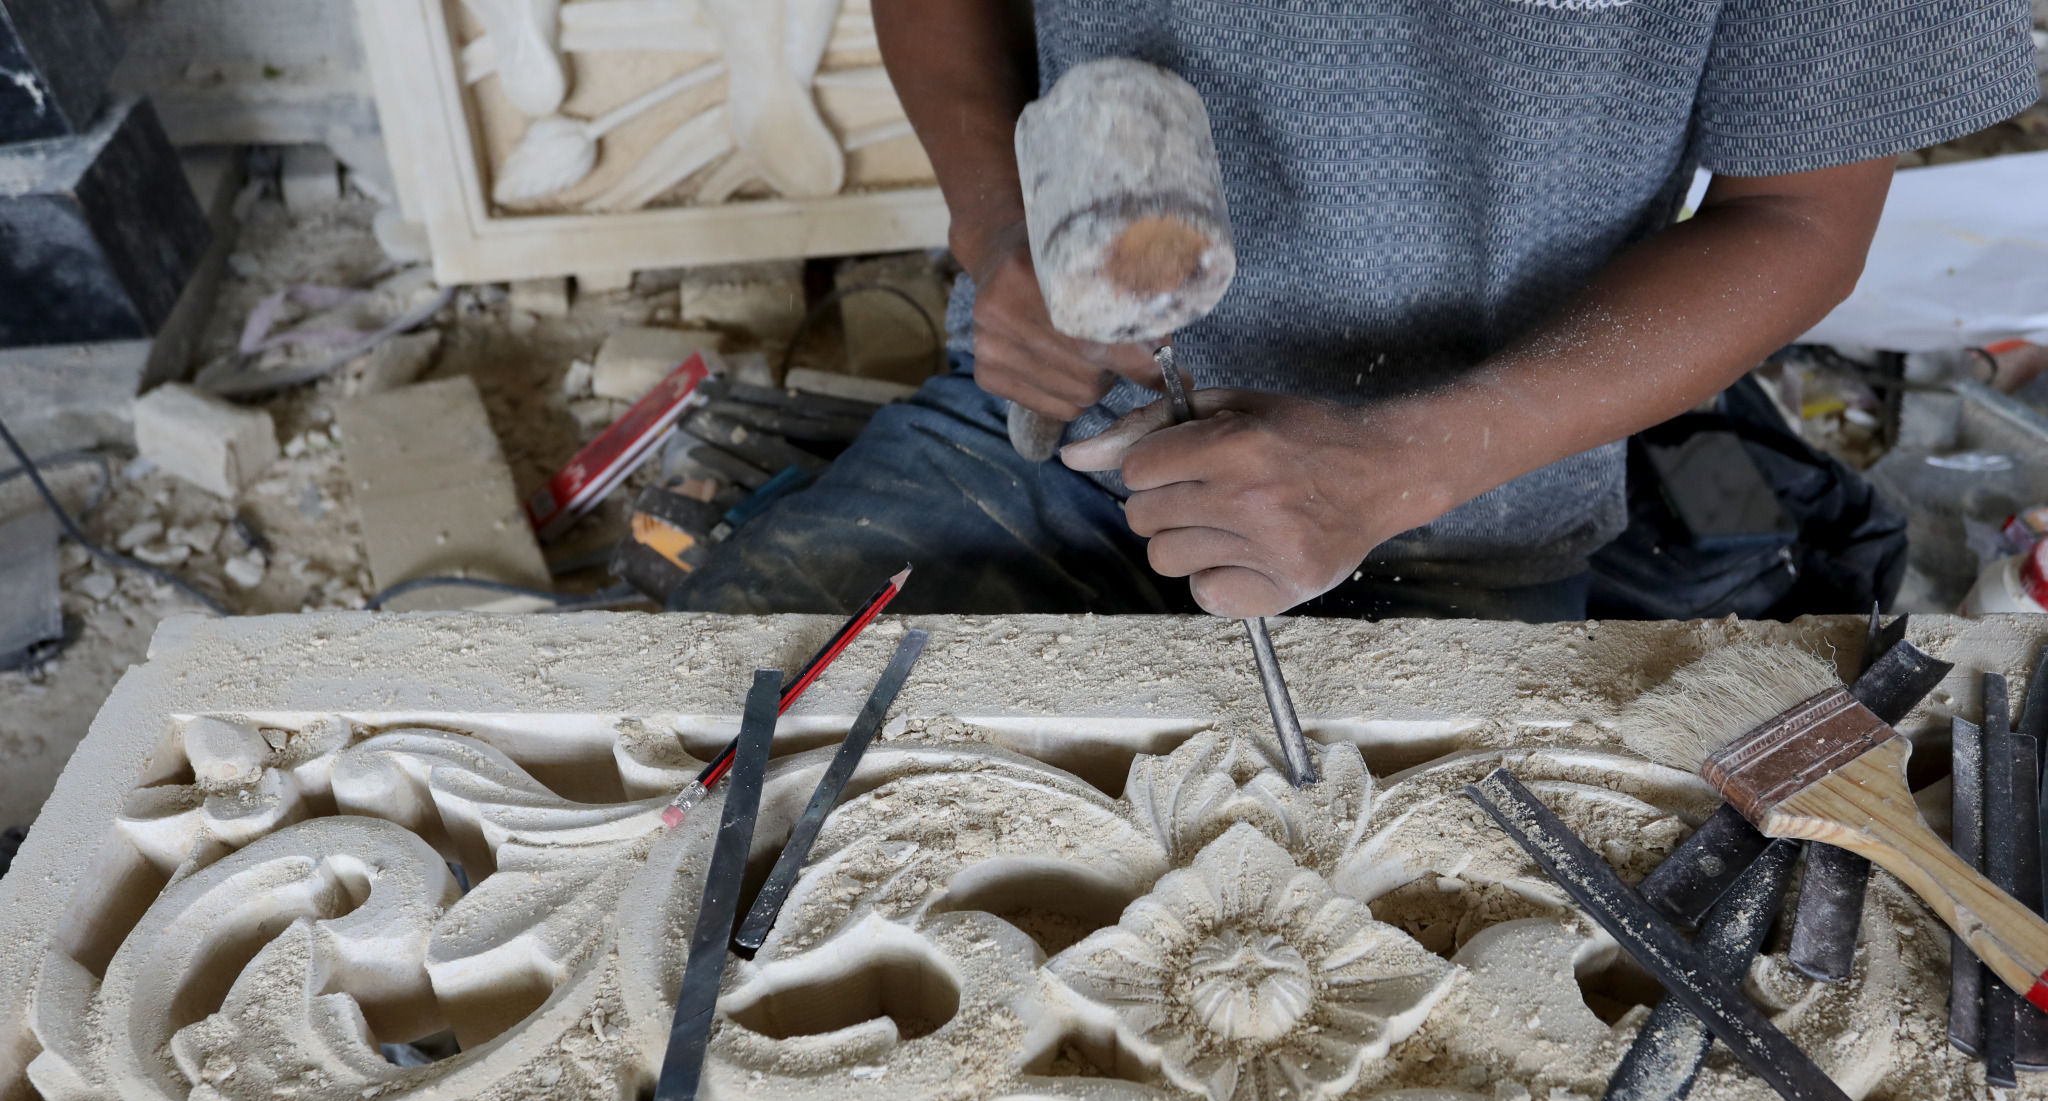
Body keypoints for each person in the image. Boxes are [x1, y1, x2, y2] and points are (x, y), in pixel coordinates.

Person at [672, 0, 2039, 621]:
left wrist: (1404, 462)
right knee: (702, 763)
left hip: (1469, 499)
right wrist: (1000, 225)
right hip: (1056, 419)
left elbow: (1795, 221)